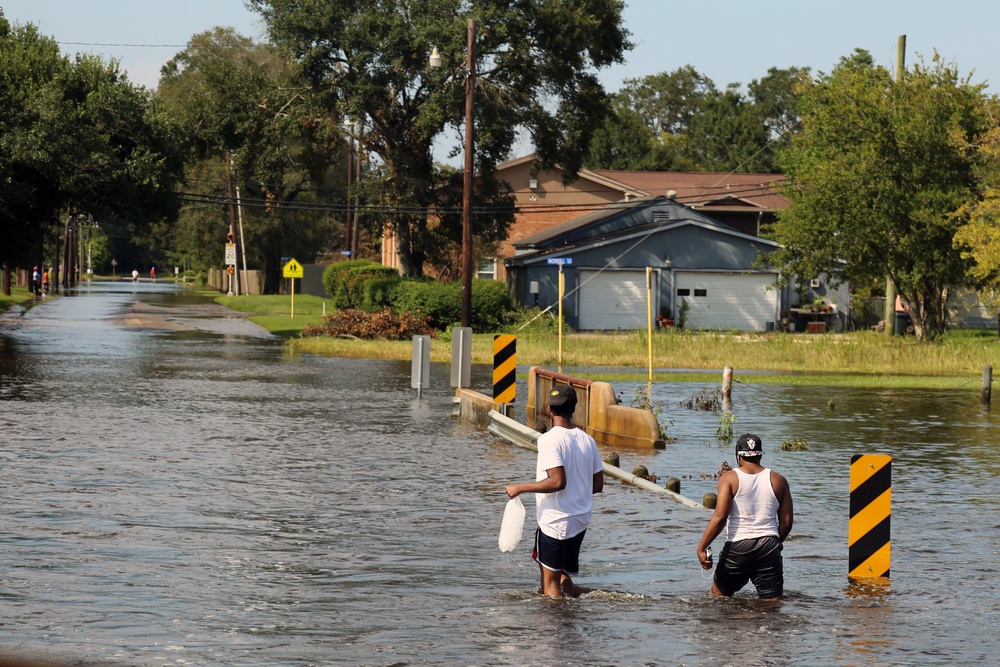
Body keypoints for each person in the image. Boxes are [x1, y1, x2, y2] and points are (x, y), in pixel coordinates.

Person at [504, 384, 604, 598]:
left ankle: (553, 630)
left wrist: (520, 487)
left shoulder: (548, 439)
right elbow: (597, 485)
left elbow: (557, 482)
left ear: (550, 410)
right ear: (574, 408)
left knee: (549, 585)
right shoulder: (588, 440)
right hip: (580, 520)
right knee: (563, 575)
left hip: (555, 522)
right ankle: (570, 618)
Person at [696, 433, 793, 601]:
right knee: (772, 605)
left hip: (738, 547)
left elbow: (720, 517)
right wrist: (774, 544)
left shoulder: (729, 479)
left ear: (738, 456)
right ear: (760, 455)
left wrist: (702, 547)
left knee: (718, 599)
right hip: (769, 545)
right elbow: (786, 522)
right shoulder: (779, 480)